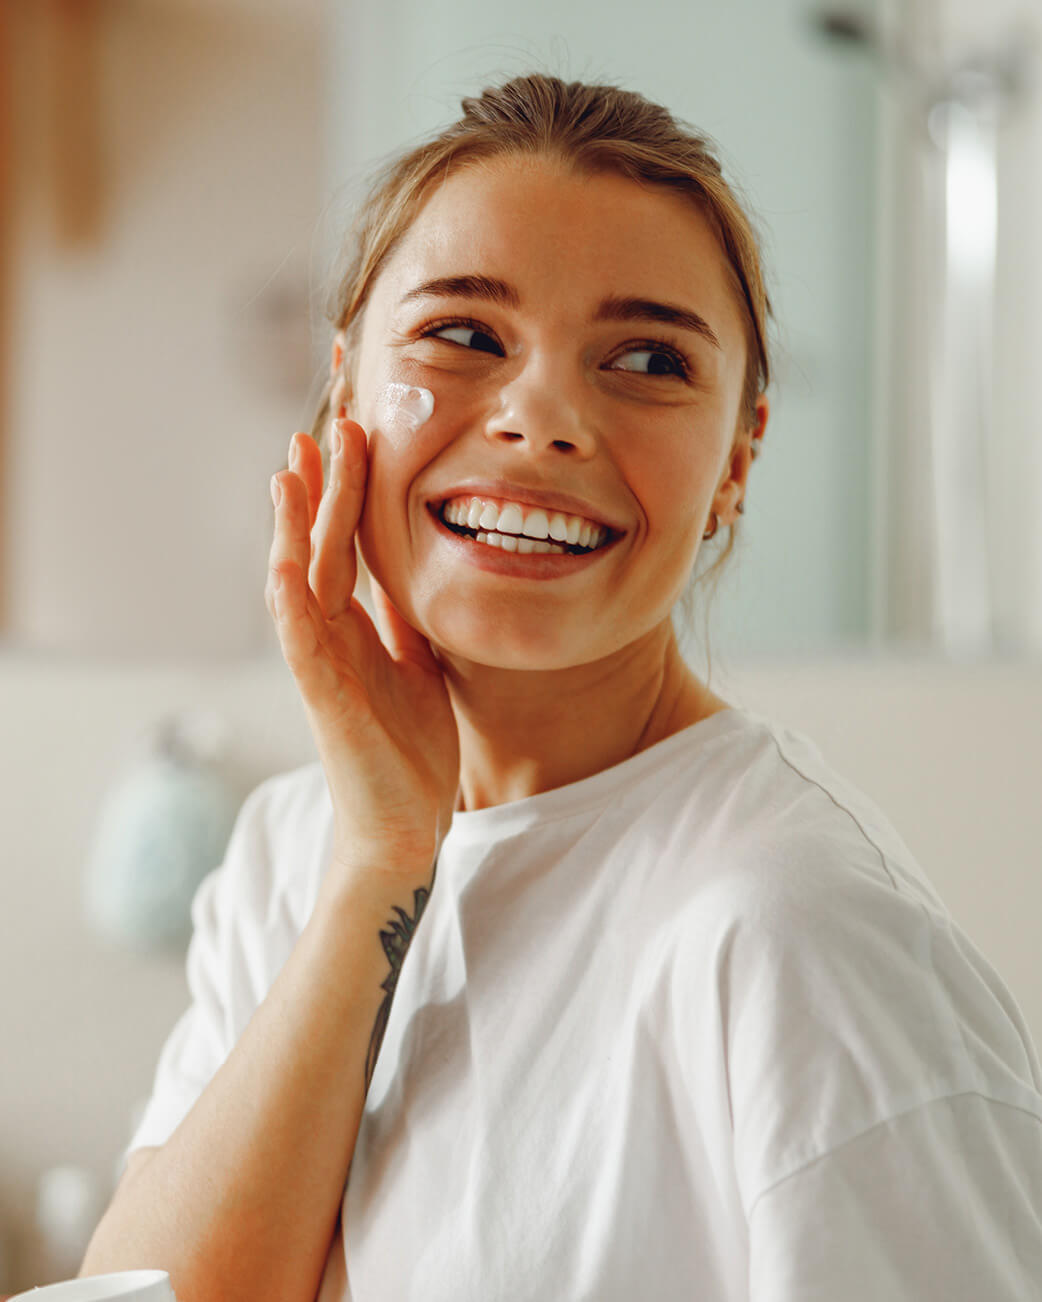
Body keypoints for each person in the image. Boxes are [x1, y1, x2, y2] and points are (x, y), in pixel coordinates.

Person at [80, 74, 1042, 1301]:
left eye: (646, 359)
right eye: (465, 337)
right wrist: (380, 860)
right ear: (345, 389)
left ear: (737, 460)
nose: (542, 421)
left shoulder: (797, 932)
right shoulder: (289, 855)